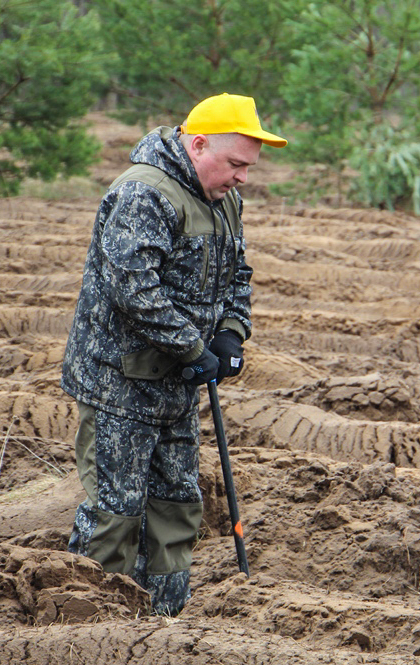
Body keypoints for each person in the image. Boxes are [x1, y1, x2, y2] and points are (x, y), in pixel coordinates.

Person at [62, 93, 287, 616]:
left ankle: (162, 627)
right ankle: (90, 630)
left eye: (249, 168)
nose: (243, 178)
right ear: (199, 144)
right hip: (120, 383)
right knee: (114, 516)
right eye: (236, 164)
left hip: (177, 388)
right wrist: (192, 347)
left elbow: (239, 274)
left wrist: (231, 333)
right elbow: (134, 289)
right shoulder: (144, 194)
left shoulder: (223, 199)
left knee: (176, 509)